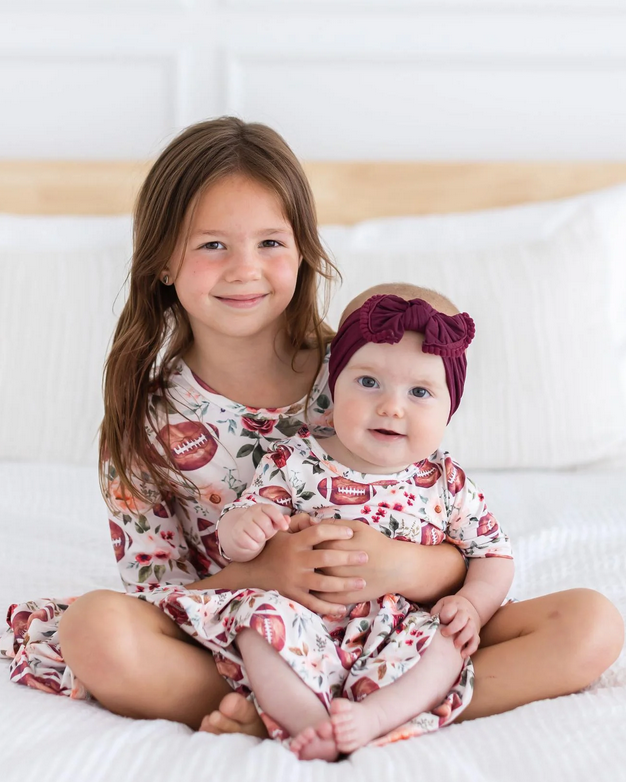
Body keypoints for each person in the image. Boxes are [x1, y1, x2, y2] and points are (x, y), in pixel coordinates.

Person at [2, 117, 622, 745]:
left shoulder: (366, 371)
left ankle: (361, 710)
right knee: (95, 629)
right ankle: (287, 706)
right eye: (212, 245)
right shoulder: (144, 425)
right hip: (248, 635)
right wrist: (266, 574)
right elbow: (160, 595)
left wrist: (398, 568)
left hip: (398, 633)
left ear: (301, 250)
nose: (245, 269)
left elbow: (439, 514)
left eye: (270, 242)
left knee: (592, 624)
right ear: (162, 260)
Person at [193, 284, 514, 760]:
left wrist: (471, 603)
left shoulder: (446, 482)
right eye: (368, 383)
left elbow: (493, 555)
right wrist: (242, 529)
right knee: (255, 622)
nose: (391, 406)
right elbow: (241, 531)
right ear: (333, 385)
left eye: (420, 392)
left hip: (401, 630)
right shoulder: (297, 460)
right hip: (303, 617)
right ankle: (310, 720)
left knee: (447, 644)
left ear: (451, 408)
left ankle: (374, 718)